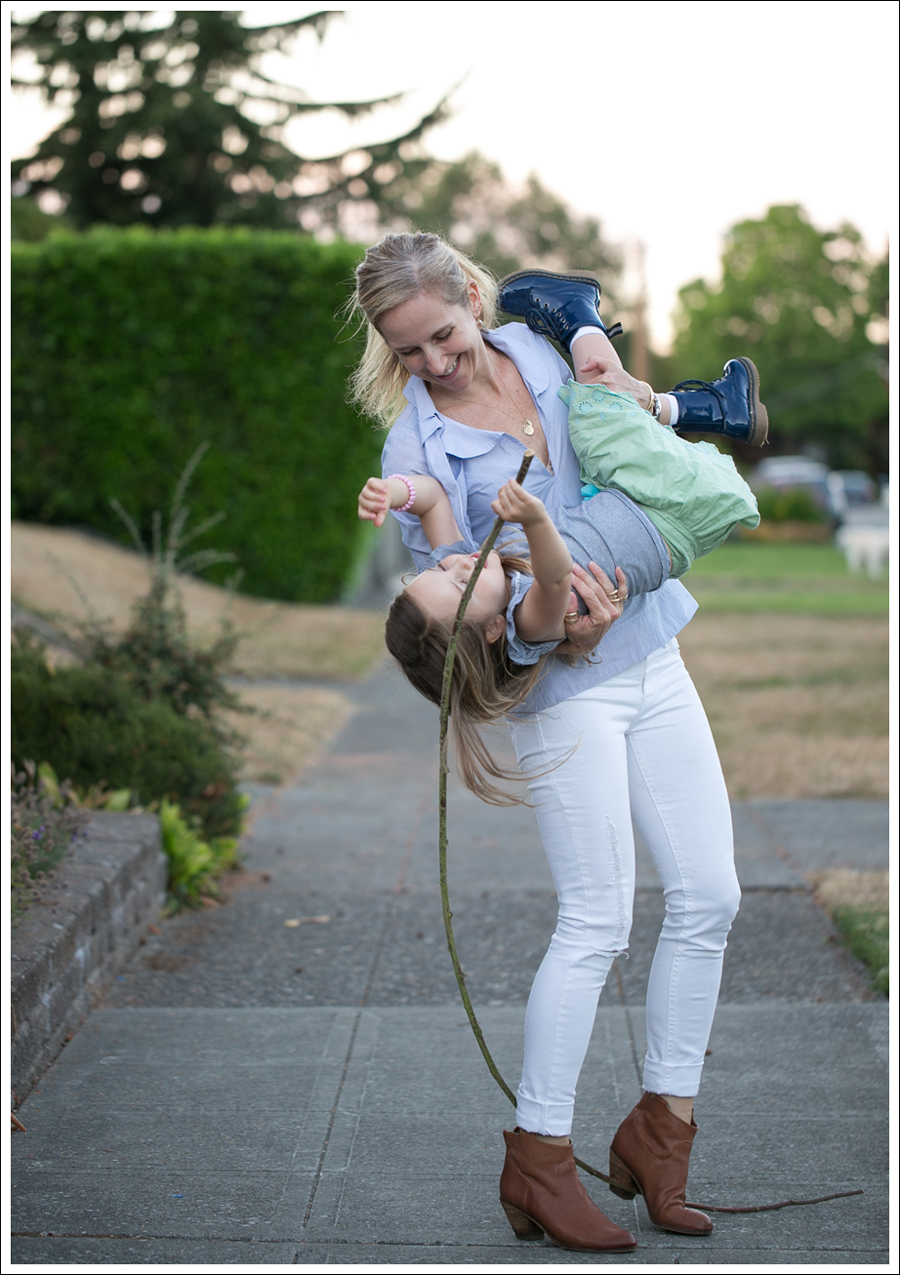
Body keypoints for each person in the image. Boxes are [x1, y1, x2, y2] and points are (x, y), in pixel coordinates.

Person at [348, 232, 746, 1253]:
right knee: (598, 919)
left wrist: (626, 379)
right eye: (407, 352)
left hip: (653, 648)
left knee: (710, 895)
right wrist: (563, 617)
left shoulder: (542, 344)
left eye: (443, 335)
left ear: (472, 300)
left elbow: (622, 425)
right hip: (562, 695)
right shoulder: (416, 452)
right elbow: (469, 604)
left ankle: (663, 1132)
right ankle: (538, 1155)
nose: (433, 363)